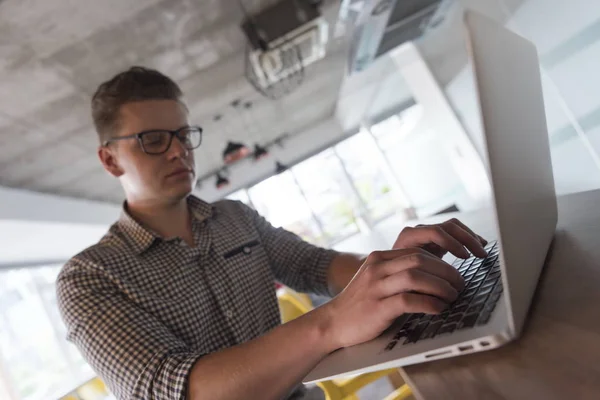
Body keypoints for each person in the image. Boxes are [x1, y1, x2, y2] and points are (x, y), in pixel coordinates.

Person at [56, 66, 488, 400]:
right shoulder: (89, 279)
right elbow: (181, 392)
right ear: (111, 160)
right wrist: (331, 323)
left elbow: (317, 266)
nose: (178, 150)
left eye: (183, 135)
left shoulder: (234, 219)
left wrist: (394, 266)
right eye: (153, 139)